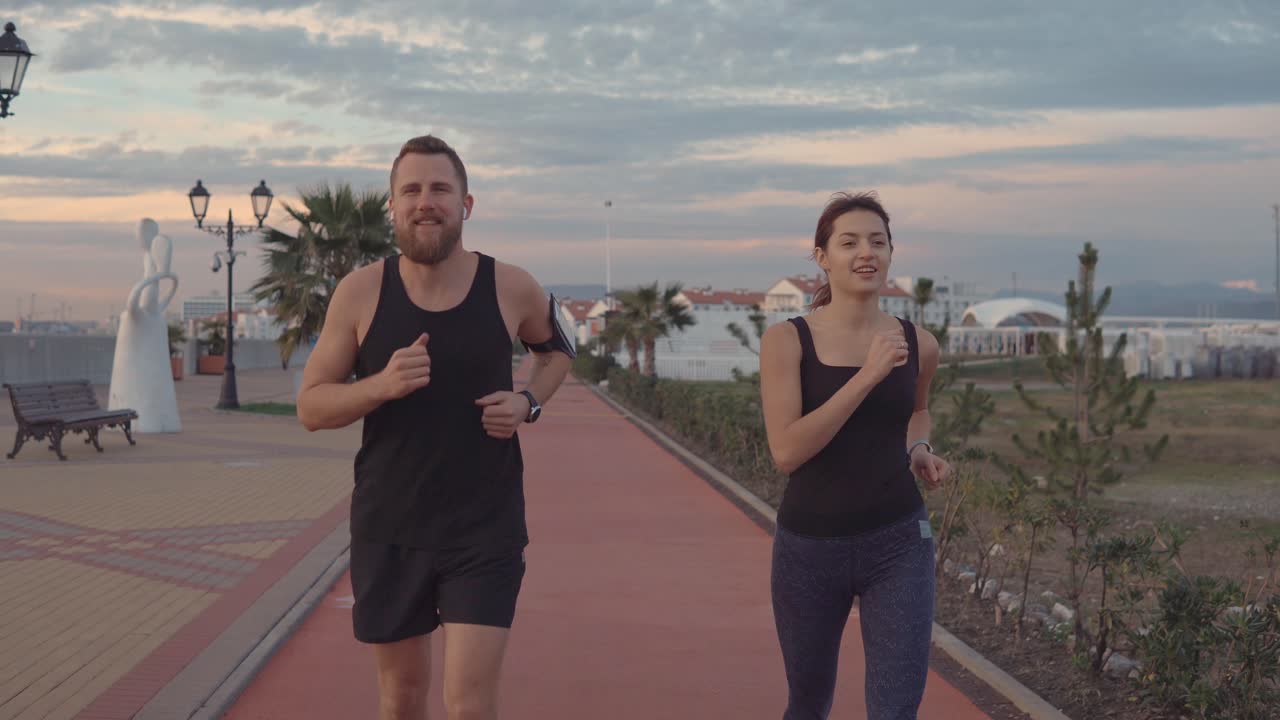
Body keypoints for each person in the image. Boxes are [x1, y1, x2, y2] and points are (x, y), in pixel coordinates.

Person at [296, 135, 575, 720]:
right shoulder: (360, 293)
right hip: (390, 526)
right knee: (401, 699)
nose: (427, 201)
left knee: (470, 704)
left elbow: (556, 354)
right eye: (412, 190)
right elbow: (311, 407)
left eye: (441, 189)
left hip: (486, 528)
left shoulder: (511, 286)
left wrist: (528, 404)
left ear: (466, 205)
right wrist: (381, 385)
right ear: (392, 207)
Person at [758, 191, 952, 720]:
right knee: (808, 702)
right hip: (808, 549)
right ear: (822, 256)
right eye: (849, 242)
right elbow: (787, 451)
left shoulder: (918, 342)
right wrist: (868, 374)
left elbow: (916, 411)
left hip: (898, 543)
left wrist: (919, 449)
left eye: (878, 241)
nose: (866, 253)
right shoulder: (787, 341)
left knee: (895, 709)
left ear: (891, 253)